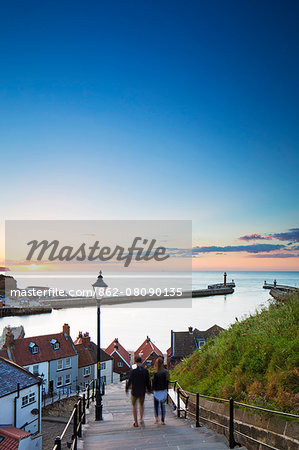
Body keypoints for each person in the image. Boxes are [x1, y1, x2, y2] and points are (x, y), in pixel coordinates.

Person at [126, 356, 151, 427]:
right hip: (142, 390)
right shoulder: (145, 371)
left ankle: (136, 422)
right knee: (141, 405)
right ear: (142, 361)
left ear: (135, 362)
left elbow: (129, 380)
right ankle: (141, 419)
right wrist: (149, 389)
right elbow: (147, 381)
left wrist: (127, 388)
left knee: (134, 406)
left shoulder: (133, 371)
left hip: (134, 391)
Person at [152, 357, 169, 425]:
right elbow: (167, 382)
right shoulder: (166, 372)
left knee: (156, 405)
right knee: (163, 406)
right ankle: (163, 420)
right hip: (163, 390)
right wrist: (167, 390)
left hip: (156, 390)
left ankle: (156, 418)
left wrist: (152, 389)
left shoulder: (155, 373)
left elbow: (154, 382)